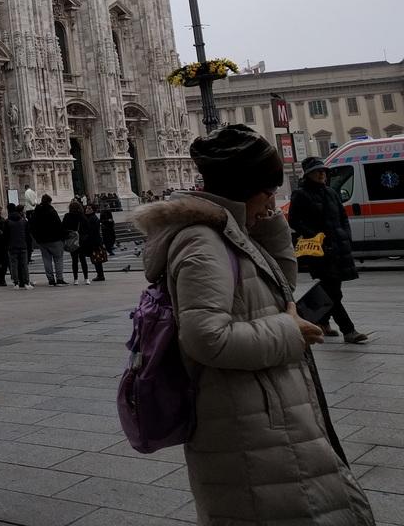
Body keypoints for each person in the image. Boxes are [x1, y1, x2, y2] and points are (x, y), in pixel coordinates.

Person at [134, 125, 373, 526]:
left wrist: (265, 222)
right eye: (268, 191)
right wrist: (290, 332)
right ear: (244, 188)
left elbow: (280, 287)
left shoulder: (227, 232)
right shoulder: (202, 243)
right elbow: (205, 337)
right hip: (246, 422)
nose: (273, 200)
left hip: (261, 410)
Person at [291, 157, 368, 344]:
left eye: (323, 171)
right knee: (332, 291)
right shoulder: (300, 195)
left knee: (333, 290)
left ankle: (320, 321)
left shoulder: (331, 192)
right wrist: (315, 235)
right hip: (320, 250)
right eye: (317, 171)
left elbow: (343, 217)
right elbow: (294, 220)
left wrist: (346, 235)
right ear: (308, 174)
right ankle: (348, 330)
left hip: (339, 248)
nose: (322, 174)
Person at [29, 194, 67, 286]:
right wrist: (63, 237)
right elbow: (59, 225)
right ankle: (59, 279)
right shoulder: (51, 211)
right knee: (58, 259)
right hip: (55, 239)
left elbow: (32, 226)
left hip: (42, 240)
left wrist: (37, 238)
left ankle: (51, 279)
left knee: (46, 260)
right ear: (49, 202)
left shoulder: (36, 212)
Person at [5, 205, 33, 288]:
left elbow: (6, 235)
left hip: (12, 246)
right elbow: (28, 235)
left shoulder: (7, 222)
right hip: (23, 245)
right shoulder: (23, 221)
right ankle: (26, 282)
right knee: (24, 265)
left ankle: (16, 282)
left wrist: (7, 245)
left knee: (14, 265)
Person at [80, 202, 106, 282]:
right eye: (87, 208)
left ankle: (100, 275)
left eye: (89, 208)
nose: (87, 210)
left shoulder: (92, 218)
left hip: (94, 241)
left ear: (93, 210)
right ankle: (100, 274)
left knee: (97, 259)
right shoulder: (90, 217)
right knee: (96, 259)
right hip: (94, 241)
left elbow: (92, 232)